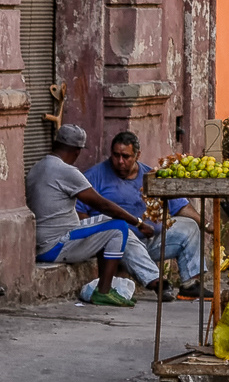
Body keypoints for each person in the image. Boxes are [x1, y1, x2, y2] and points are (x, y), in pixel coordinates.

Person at [29, 124, 166, 306]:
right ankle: (104, 291)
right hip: (55, 245)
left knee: (111, 225)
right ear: (77, 151)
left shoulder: (37, 166)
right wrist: (138, 222)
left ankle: (128, 281)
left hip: (43, 242)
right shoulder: (66, 171)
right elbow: (102, 204)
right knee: (119, 227)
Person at [81, 131, 209, 299]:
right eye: (116, 155)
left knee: (190, 226)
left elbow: (180, 205)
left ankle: (191, 285)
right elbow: (79, 211)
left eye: (126, 156)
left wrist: (205, 224)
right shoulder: (94, 176)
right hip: (117, 244)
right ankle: (158, 283)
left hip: (151, 240)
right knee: (120, 232)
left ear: (137, 155)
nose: (120, 161)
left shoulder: (150, 175)